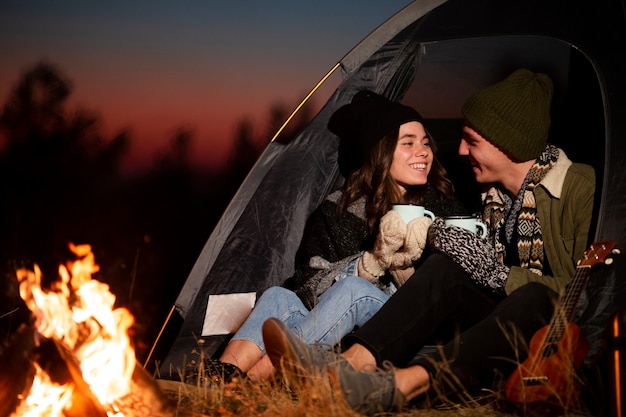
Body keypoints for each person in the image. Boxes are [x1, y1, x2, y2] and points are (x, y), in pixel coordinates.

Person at [262, 68, 596, 415]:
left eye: (472, 140)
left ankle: (403, 384)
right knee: (445, 268)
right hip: (493, 324)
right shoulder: (491, 198)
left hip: (550, 330)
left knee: (535, 295)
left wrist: (498, 276)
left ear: (506, 141)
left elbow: (588, 294)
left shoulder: (578, 187)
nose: (461, 150)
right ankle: (346, 369)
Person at [200, 90, 466, 383]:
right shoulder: (341, 210)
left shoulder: (444, 206)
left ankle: (255, 382)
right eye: (408, 143)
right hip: (334, 326)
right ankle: (220, 376)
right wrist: (369, 263)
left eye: (426, 143)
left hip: (408, 327)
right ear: (381, 150)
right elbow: (308, 287)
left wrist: (404, 260)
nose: (423, 152)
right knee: (278, 296)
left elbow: (451, 285)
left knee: (353, 289)